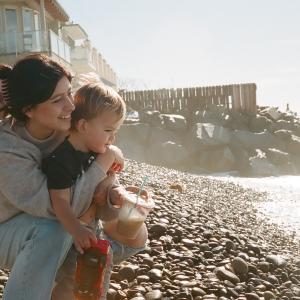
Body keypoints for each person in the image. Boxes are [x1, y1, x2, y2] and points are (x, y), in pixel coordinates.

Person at [0, 54, 148, 300]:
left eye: (69, 93)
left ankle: (63, 288)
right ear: (29, 109)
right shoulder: (8, 149)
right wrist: (104, 161)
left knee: (132, 232)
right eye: (58, 99)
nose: (70, 105)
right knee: (56, 228)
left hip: (60, 223)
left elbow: (95, 176)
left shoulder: (69, 126)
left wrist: (113, 192)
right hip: (9, 231)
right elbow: (57, 208)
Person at [42, 82, 126, 254]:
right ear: (83, 126)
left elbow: (105, 180)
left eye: (115, 131)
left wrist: (112, 186)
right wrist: (76, 230)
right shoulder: (62, 159)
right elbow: (60, 202)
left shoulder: (94, 150)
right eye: (108, 130)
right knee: (71, 276)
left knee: (100, 268)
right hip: (67, 234)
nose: (112, 138)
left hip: (92, 227)